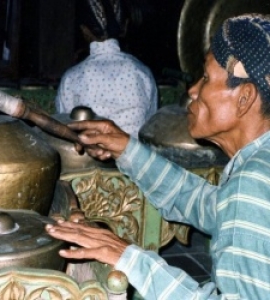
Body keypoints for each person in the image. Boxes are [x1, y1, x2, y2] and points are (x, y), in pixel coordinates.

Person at [46, 14, 270, 299]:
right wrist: (126, 149)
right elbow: (205, 205)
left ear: (244, 98)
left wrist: (131, 259)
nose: (192, 90)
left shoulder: (254, 182)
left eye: (205, 78)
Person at [55, 0, 158, 138]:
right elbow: (151, 126)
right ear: (125, 26)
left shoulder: (71, 77)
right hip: (133, 156)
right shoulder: (142, 72)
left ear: (84, 30)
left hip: (88, 158)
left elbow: (65, 127)